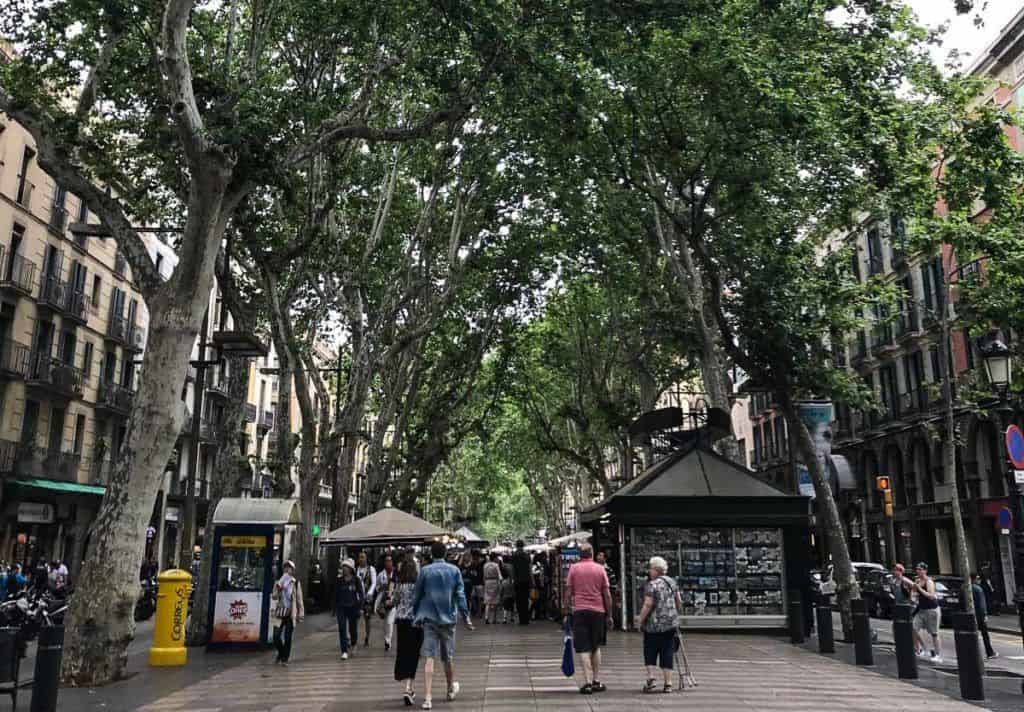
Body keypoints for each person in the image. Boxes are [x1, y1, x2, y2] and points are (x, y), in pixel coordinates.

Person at [412, 541, 474, 710]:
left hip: (429, 619)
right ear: (445, 553)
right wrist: (466, 616)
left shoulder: (424, 571)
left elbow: (416, 595)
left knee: (429, 657)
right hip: (448, 619)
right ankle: (449, 689)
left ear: (431, 554)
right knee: (448, 657)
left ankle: (428, 697)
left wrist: (415, 614)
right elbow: (460, 595)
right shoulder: (454, 571)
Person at [565, 542, 613, 695]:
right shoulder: (600, 569)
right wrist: (609, 615)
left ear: (579, 555)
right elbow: (607, 594)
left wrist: (566, 610)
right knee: (596, 646)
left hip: (579, 611)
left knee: (583, 648)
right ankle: (596, 680)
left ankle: (586, 682)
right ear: (592, 554)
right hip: (598, 611)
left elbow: (568, 591)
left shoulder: (574, 568)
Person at [636, 556, 683, 693]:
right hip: (670, 625)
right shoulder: (672, 582)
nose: (649, 572)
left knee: (650, 649)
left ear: (656, 570)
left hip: (653, 625)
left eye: (650, 569)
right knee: (667, 651)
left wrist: (640, 620)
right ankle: (668, 683)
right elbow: (678, 601)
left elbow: (648, 604)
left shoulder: (652, 585)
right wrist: (675, 614)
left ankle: (651, 679)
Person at [394, 551, 424, 706]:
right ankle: (409, 687)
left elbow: (394, 600)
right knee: (414, 654)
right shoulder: (418, 586)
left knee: (404, 653)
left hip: (401, 621)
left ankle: (407, 685)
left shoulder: (400, 585)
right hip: (415, 622)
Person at [271, 560, 304, 666]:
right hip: (280, 612)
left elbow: (299, 599)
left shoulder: (295, 583)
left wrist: (301, 614)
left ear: (292, 570)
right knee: (276, 636)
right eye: (285, 567)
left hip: (290, 613)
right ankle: (281, 653)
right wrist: (279, 588)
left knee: (288, 637)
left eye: (289, 568)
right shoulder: (278, 582)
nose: (287, 569)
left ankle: (285, 659)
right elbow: (274, 596)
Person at [911, 562, 942, 663]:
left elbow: (931, 596)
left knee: (934, 633)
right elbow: (914, 594)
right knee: (913, 628)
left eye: (920, 569)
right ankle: (922, 649)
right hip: (922, 609)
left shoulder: (929, 581)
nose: (918, 571)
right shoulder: (917, 580)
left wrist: (919, 588)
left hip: (932, 610)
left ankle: (938, 655)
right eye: (917, 569)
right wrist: (914, 594)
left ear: (925, 571)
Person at [335, 558, 365, 660]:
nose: (344, 569)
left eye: (346, 567)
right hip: (341, 607)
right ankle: (344, 651)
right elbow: (335, 594)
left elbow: (361, 594)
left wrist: (360, 607)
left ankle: (354, 643)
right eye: (343, 566)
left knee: (353, 628)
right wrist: (334, 608)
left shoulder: (356, 580)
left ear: (351, 568)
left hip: (353, 607)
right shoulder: (339, 580)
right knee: (342, 628)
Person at [971, 573, 997, 659]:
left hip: (969, 616)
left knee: (971, 635)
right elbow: (982, 604)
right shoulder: (978, 589)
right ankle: (989, 652)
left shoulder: (964, 588)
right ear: (973, 579)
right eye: (978, 578)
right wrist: (985, 614)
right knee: (985, 634)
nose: (979, 580)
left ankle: (972, 653)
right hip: (979, 615)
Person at [356, 551, 377, 647]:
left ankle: (367, 637)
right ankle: (354, 636)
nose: (361, 559)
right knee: (356, 617)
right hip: (359, 597)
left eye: (363, 557)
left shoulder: (371, 569)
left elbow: (374, 582)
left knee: (367, 618)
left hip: (367, 598)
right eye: (360, 557)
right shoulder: (357, 570)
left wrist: (370, 593)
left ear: (366, 558)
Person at [376, 554, 397, 651]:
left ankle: (388, 641)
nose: (388, 563)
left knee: (389, 622)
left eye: (390, 561)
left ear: (392, 562)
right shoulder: (381, 575)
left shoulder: (396, 574)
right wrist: (381, 588)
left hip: (392, 601)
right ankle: (386, 640)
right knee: (384, 623)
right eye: (386, 561)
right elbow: (376, 587)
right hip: (383, 602)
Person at [511, 540, 532, 626]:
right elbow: (530, 569)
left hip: (517, 581)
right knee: (525, 600)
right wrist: (532, 580)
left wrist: (513, 580)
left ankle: (521, 619)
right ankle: (526, 619)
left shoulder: (514, 555)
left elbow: (513, 569)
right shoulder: (527, 556)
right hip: (526, 580)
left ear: (516, 545)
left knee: (519, 600)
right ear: (523, 546)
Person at [482, 552, 502, 624]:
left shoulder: (485, 565)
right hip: (495, 582)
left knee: (487, 601)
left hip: (487, 582)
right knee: (495, 601)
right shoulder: (496, 565)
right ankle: (494, 619)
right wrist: (500, 582)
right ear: (494, 558)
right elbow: (499, 576)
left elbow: (483, 576)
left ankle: (486, 618)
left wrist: (484, 583)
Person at [500, 558, 516, 624]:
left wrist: (500, 596)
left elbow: (501, 590)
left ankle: (504, 619)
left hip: (505, 597)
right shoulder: (512, 582)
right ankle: (512, 618)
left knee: (505, 608)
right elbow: (514, 589)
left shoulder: (503, 582)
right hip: (511, 596)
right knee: (512, 607)